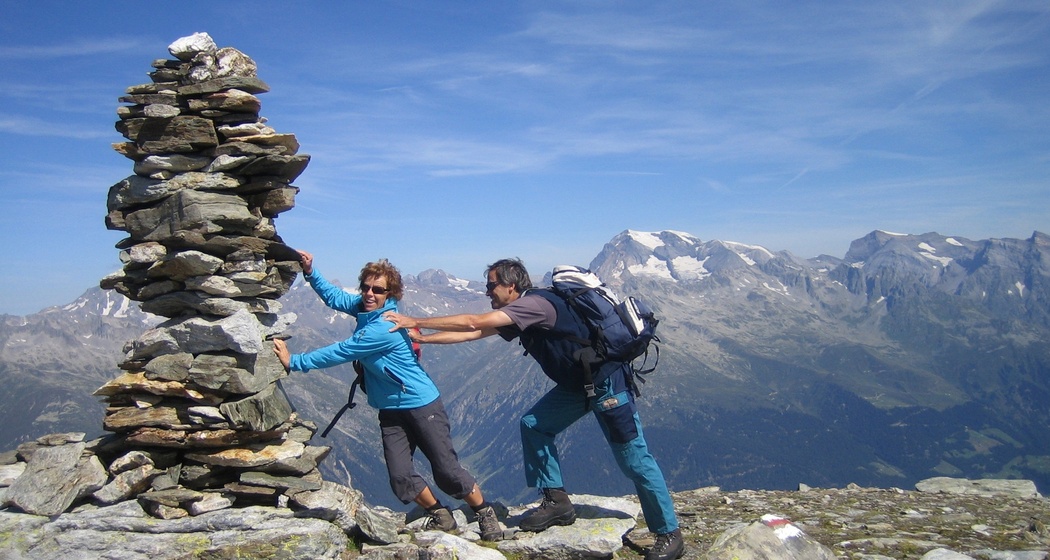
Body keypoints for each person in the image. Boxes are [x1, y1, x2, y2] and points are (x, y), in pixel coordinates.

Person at [384, 258, 685, 560]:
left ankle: (668, 533)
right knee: (534, 425)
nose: (487, 292)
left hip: (607, 384)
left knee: (633, 460)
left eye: (491, 286)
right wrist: (424, 339)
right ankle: (557, 502)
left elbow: (475, 322)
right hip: (579, 386)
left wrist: (415, 321)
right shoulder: (521, 311)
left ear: (510, 286)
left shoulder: (535, 306)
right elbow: (475, 334)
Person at [272, 250, 502, 541]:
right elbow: (335, 298)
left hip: (422, 405)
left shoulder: (384, 326)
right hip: (390, 410)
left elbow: (342, 351)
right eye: (366, 287)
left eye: (377, 289)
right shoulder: (365, 309)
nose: (369, 293)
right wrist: (310, 272)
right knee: (400, 477)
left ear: (390, 293)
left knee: (446, 471)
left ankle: (484, 512)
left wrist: (296, 362)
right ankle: (441, 516)